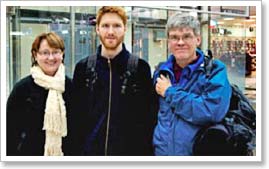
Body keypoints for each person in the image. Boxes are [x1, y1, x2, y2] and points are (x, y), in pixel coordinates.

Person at [72, 6, 156, 156]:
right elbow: (75, 120)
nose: (111, 31)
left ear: (125, 29)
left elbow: (148, 121)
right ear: (97, 29)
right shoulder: (83, 68)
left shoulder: (140, 69)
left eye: (117, 25)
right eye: (105, 25)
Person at [152, 13, 232, 156]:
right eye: (174, 37)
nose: (180, 42)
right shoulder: (161, 72)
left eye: (187, 36)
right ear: (168, 42)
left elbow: (211, 111)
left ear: (198, 39)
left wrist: (170, 92)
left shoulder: (214, 71)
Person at [7, 32, 73, 156]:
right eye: (45, 53)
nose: (51, 57)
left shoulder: (71, 87)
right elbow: (9, 132)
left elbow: (79, 129)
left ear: (62, 54)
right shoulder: (22, 89)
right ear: (35, 55)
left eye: (56, 52)